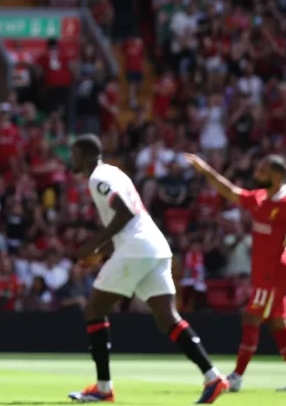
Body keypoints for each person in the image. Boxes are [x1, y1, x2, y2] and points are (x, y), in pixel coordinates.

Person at [67, 134, 228, 404]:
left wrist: (92, 244)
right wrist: (102, 251)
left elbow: (125, 213)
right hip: (154, 246)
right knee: (168, 317)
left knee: (94, 310)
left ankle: (104, 389)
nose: (71, 159)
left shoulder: (98, 178)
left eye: (73, 154)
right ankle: (213, 377)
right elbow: (131, 219)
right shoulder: (115, 173)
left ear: (83, 155)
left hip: (137, 249)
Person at [185, 153, 286, 392]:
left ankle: (237, 376)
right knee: (278, 323)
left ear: (277, 176)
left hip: (274, 273)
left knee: (251, 318)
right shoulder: (258, 198)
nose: (256, 174)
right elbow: (229, 191)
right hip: (262, 272)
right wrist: (206, 170)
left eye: (262, 171)